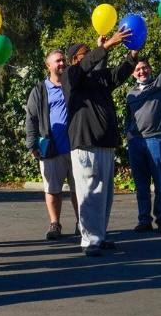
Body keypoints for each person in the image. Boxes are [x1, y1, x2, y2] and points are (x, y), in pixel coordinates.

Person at [63, 27, 134, 257]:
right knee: (89, 192)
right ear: (75, 58)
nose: (90, 55)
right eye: (86, 52)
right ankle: (89, 240)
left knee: (105, 194)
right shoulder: (71, 77)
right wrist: (104, 47)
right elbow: (84, 67)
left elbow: (118, 75)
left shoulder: (97, 78)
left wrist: (133, 55)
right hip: (85, 143)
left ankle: (99, 236)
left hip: (105, 143)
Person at [125, 26, 161, 234]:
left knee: (160, 183)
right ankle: (144, 219)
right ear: (133, 73)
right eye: (138, 69)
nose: (142, 71)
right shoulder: (130, 94)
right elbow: (128, 119)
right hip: (136, 143)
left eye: (145, 68)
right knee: (141, 185)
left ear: (150, 69)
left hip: (157, 140)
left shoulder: (159, 85)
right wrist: (129, 136)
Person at [25, 49, 79, 240]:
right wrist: (32, 144)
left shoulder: (72, 85)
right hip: (51, 148)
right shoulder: (39, 90)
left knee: (78, 189)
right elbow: (31, 118)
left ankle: (81, 223)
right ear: (48, 66)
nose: (62, 63)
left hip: (76, 147)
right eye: (57, 61)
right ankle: (55, 224)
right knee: (52, 189)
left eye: (63, 60)